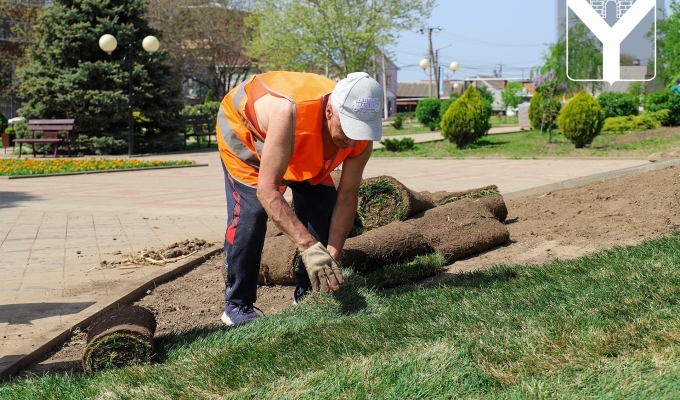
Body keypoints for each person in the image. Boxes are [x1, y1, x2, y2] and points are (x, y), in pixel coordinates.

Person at [216, 71, 384, 325]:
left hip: (302, 141)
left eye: (359, 131)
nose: (352, 139)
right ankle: (237, 305)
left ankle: (309, 293)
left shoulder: (361, 138)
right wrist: (307, 245)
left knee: (322, 205)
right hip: (247, 132)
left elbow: (347, 197)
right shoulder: (289, 110)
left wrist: (331, 255)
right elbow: (267, 190)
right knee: (252, 213)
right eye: (348, 129)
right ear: (330, 112)